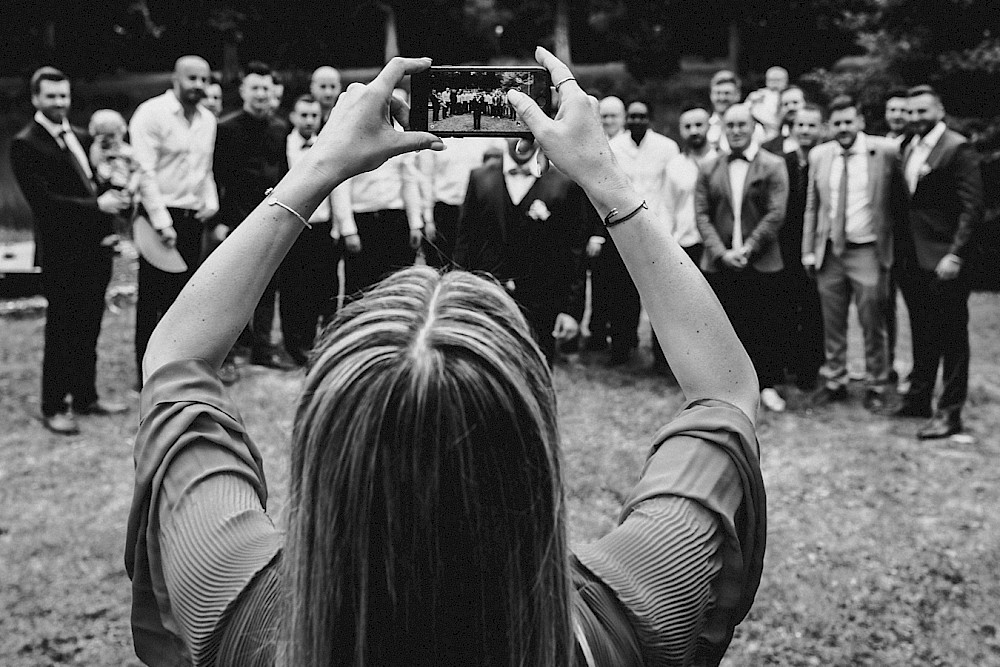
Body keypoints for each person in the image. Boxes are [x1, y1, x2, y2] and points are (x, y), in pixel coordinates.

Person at [125, 51, 765, 666]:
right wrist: (605, 176)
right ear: (534, 455)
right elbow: (724, 391)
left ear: (322, 449)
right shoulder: (624, 618)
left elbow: (178, 357)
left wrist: (318, 166)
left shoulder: (235, 606)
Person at [10, 66, 130, 434]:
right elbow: (45, 203)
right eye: (51, 96)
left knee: (90, 325)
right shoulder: (25, 143)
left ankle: (86, 396)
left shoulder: (80, 135)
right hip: (62, 254)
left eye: (64, 96)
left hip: (95, 250)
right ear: (35, 98)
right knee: (62, 328)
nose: (60, 102)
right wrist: (99, 206)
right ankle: (53, 404)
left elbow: (96, 183)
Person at [802, 96, 906, 410]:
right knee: (832, 321)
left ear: (860, 121)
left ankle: (876, 382)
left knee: (872, 321)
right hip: (830, 252)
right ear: (829, 127)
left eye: (849, 121)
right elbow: (812, 206)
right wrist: (808, 250)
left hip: (868, 251)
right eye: (837, 123)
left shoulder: (884, 152)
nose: (843, 128)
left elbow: (899, 203)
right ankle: (836, 380)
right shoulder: (821, 155)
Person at [893, 85, 984, 438]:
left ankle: (950, 412)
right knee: (921, 331)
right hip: (913, 260)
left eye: (923, 111)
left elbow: (972, 208)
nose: (916, 118)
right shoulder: (906, 146)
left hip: (946, 260)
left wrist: (956, 254)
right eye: (911, 112)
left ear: (940, 110)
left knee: (952, 337)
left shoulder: (957, 147)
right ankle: (918, 398)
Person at [453, 138, 591, 364]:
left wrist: (571, 311)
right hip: (489, 296)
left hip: (543, 301)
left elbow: (574, 252)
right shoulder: (479, 178)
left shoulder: (564, 183)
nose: (519, 138)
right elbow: (464, 242)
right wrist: (460, 294)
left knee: (537, 368)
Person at [130, 56, 221, 385]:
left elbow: (204, 169)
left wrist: (211, 203)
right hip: (158, 217)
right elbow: (143, 171)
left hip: (191, 217)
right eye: (192, 78)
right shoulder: (151, 114)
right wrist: (160, 220)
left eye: (204, 79)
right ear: (175, 78)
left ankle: (177, 369)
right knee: (152, 299)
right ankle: (147, 374)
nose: (198, 85)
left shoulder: (207, 120)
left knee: (184, 297)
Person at [696, 103, 789, 412]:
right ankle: (726, 390)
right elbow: (702, 215)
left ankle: (768, 386)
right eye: (730, 125)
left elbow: (776, 213)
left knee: (766, 326)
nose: (736, 131)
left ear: (753, 128)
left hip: (760, 261)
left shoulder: (773, 165)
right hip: (720, 264)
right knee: (725, 328)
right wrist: (722, 254)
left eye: (742, 125)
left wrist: (748, 248)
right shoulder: (709, 167)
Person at [214, 61, 294, 370]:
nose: (261, 94)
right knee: (233, 288)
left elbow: (284, 170)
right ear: (244, 91)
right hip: (235, 218)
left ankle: (263, 348)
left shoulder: (280, 127)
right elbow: (218, 177)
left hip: (271, 217)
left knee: (268, 285)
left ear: (273, 92)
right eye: (255, 88)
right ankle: (231, 352)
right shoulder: (226, 127)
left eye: (266, 88)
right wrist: (220, 220)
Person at [606, 99, 679, 364]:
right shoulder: (613, 147)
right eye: (632, 117)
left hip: (658, 229)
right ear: (626, 119)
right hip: (624, 230)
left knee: (661, 296)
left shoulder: (666, 148)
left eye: (642, 116)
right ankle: (622, 348)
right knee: (622, 294)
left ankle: (663, 355)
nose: (636, 121)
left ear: (650, 119)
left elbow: (671, 190)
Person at [335, 88, 423, 299]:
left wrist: (415, 223)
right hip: (364, 221)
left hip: (395, 219)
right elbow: (341, 187)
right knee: (360, 288)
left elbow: (409, 182)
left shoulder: (403, 140)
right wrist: (348, 229)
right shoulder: (352, 140)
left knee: (396, 285)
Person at [651, 106, 718, 373]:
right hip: (684, 243)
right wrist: (667, 245)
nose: (694, 131)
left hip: (715, 245)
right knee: (678, 306)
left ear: (708, 128)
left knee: (712, 309)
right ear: (681, 131)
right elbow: (666, 207)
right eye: (688, 126)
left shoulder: (720, 161)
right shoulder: (675, 166)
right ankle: (672, 363)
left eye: (699, 125)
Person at [281, 94, 342, 365]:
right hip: (293, 227)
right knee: (295, 288)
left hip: (322, 226)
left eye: (313, 116)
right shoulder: (283, 145)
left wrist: (339, 225)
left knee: (325, 286)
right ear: (293, 117)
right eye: (303, 115)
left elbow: (337, 188)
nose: (308, 121)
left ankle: (323, 344)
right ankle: (296, 345)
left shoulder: (328, 145)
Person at [778, 103, 826, 390]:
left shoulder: (826, 159)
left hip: (815, 244)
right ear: (792, 129)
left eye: (812, 125)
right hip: (785, 243)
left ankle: (810, 368)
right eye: (801, 125)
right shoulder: (781, 161)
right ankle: (786, 361)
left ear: (821, 128)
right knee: (785, 303)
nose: (806, 131)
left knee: (813, 307)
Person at [416, 136, 506, 268]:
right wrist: (428, 218)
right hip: (444, 210)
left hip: (475, 209)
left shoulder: (482, 136)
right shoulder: (435, 139)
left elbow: (505, 146)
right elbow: (425, 178)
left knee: (473, 263)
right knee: (441, 265)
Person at [707, 71, 765, 153]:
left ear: (738, 95)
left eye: (727, 93)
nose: (722, 98)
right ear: (710, 95)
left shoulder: (754, 129)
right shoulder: (706, 127)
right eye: (717, 93)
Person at [746, 65, 789, 139]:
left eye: (778, 80)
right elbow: (745, 110)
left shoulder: (791, 96)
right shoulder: (757, 95)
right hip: (761, 129)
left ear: (786, 81)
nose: (775, 83)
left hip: (783, 130)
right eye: (771, 80)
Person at [761, 85, 806, 156]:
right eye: (785, 104)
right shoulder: (768, 147)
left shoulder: (821, 140)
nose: (790, 107)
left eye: (795, 102)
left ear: (805, 104)